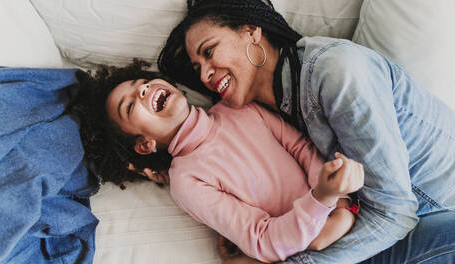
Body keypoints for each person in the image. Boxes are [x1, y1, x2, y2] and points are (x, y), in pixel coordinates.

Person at [157, 0, 455, 263]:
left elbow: (394, 212)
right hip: (374, 228)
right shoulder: (257, 112)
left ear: (250, 32)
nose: (205, 74)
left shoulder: (337, 72)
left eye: (209, 52)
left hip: (432, 208)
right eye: (197, 68)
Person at [70, 60, 364, 263]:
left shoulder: (240, 108)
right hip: (305, 248)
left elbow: (300, 148)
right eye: (131, 105)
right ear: (145, 145)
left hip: (344, 210)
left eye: (143, 82)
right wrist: (320, 204)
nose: (143, 89)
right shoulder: (187, 180)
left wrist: (338, 203)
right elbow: (261, 240)